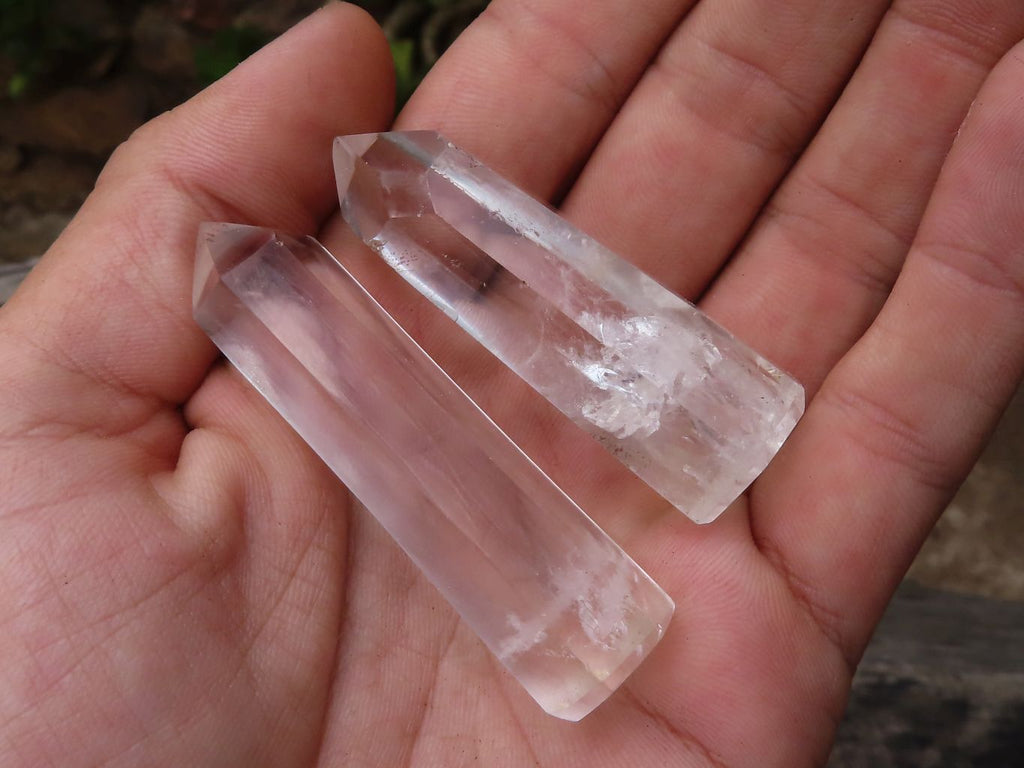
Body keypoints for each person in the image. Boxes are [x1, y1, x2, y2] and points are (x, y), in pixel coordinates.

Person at [1, 2, 1022, 765]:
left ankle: (725, 428)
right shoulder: (295, 274)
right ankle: (720, 438)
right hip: (577, 630)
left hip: (688, 466)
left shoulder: (375, 204)